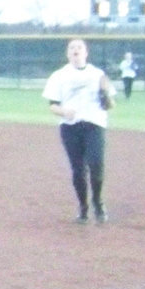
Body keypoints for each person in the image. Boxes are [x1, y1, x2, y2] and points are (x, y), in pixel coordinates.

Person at [42, 38, 115, 224]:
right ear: (67, 54)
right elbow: (52, 105)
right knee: (78, 169)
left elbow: (110, 105)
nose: (76, 50)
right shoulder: (59, 75)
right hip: (70, 127)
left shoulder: (97, 74)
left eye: (79, 47)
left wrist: (105, 94)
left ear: (86, 52)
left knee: (96, 163)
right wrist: (63, 112)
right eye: (72, 47)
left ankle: (98, 202)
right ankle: (83, 207)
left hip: (94, 125)